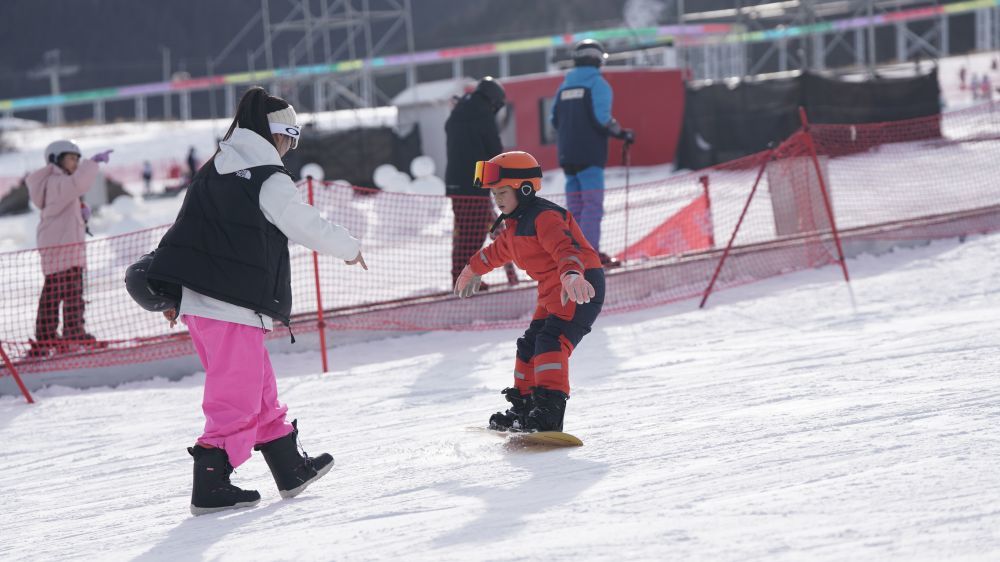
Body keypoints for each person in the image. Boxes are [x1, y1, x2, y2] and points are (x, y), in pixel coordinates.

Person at [145, 86, 368, 515]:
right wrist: (346, 246)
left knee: (259, 388)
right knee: (236, 394)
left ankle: (288, 467)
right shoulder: (267, 175)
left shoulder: (217, 167)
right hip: (229, 303)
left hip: (208, 302)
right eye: (291, 139)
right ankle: (211, 482)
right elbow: (300, 221)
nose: (290, 148)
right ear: (279, 135)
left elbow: (187, 229)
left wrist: (174, 289)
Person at [454, 151, 605, 433]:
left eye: (501, 192)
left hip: (579, 285)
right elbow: (496, 252)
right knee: (528, 344)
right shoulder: (514, 226)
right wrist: (472, 269)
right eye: (493, 194)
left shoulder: (545, 217)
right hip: (552, 290)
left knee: (551, 341)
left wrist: (572, 274)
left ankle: (548, 412)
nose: (496, 200)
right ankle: (524, 409)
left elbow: (566, 248)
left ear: (524, 189)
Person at [24, 140, 113, 358]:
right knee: (55, 294)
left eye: (78, 159)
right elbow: (77, 185)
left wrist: (80, 214)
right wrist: (92, 164)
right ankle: (47, 338)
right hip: (60, 251)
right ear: (56, 159)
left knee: (72, 293)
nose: (76, 163)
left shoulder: (60, 182)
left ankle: (73, 332)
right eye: (72, 158)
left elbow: (68, 199)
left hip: (68, 251)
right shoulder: (55, 181)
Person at [550, 39, 634, 266]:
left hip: (567, 155)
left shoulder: (564, 85)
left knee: (575, 207)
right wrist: (622, 134)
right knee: (592, 205)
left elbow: (554, 119)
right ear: (597, 60)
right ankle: (590, 256)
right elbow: (602, 119)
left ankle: (575, 254)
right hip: (590, 155)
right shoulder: (598, 84)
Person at [444, 76, 506, 287]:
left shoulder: (457, 112)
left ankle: (460, 277)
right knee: (475, 233)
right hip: (475, 184)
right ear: (493, 100)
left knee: (463, 232)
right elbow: (495, 151)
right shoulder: (483, 115)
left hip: (454, 182)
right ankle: (466, 280)